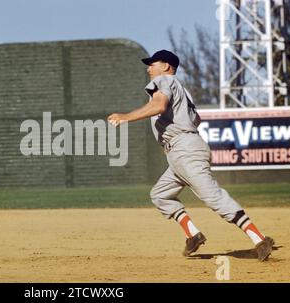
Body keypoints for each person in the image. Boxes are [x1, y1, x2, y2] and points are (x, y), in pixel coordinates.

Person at [107, 50, 274, 261]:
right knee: (160, 195)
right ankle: (193, 235)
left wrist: (125, 117)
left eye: (152, 64)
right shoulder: (183, 91)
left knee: (213, 197)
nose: (149, 68)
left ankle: (259, 239)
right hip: (182, 151)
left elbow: (158, 105)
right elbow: (197, 119)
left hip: (185, 150)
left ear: (166, 66)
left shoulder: (164, 80)